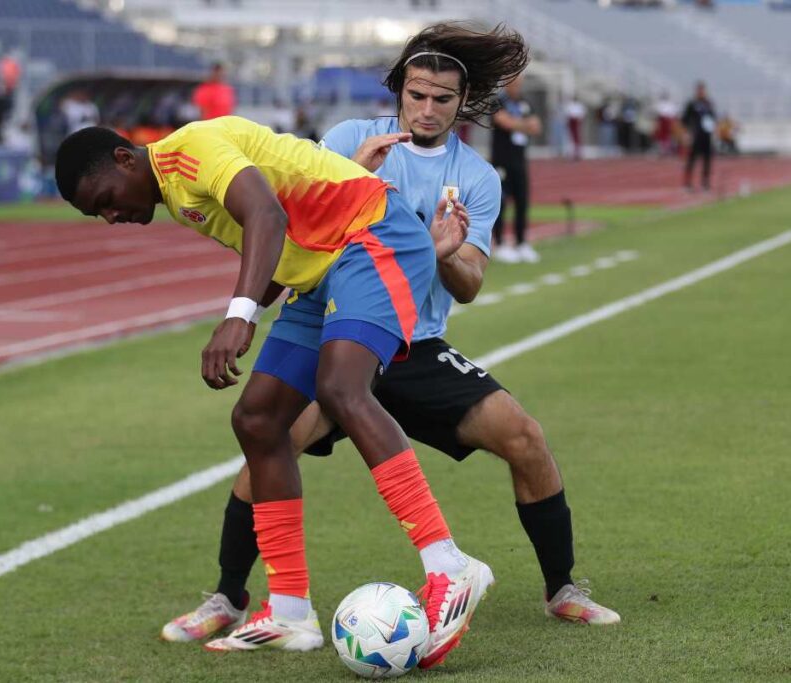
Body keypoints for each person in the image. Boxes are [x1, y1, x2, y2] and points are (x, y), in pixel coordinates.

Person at [161, 22, 620, 651]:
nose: (426, 109)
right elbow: (300, 229)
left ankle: (563, 589)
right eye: (416, 95)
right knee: (266, 441)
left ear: (464, 106)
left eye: (441, 99)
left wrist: (441, 252)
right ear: (398, 92)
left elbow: (470, 284)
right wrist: (351, 172)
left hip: (414, 344)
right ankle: (227, 596)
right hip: (333, 330)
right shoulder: (352, 138)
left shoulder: (478, 178)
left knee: (525, 438)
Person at [55, 116, 489, 667]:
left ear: (124, 159)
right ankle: (288, 611)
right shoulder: (174, 189)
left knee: (341, 389)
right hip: (323, 267)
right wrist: (255, 310)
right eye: (98, 214)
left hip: (374, 234)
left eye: (106, 199)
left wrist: (238, 317)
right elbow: (282, 241)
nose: (111, 215)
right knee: (257, 419)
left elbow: (267, 214)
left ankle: (450, 565)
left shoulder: (190, 151)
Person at [490, 74, 541, 264]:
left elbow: (536, 127)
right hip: (502, 160)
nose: (516, 86)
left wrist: (518, 125)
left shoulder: (524, 103)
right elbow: (504, 122)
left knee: (522, 201)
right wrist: (523, 124)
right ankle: (500, 243)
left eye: (519, 83)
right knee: (501, 203)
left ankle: (521, 242)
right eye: (513, 83)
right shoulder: (497, 101)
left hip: (520, 160)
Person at [681, 80, 715, 191]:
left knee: (707, 160)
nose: (701, 92)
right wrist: (686, 133)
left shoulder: (708, 103)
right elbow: (684, 120)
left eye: (703, 90)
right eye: (699, 90)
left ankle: (705, 183)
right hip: (696, 135)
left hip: (707, 136)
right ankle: (687, 183)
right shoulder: (692, 104)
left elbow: (713, 118)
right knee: (692, 160)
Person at [653, 91, 679, 156]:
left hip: (668, 122)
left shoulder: (670, 104)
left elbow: (673, 115)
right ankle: (662, 150)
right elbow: (659, 115)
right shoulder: (661, 104)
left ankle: (667, 149)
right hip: (663, 122)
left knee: (668, 137)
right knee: (661, 136)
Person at [564, 95, 586, 161]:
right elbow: (568, 114)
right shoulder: (570, 105)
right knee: (571, 137)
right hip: (572, 121)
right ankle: (571, 153)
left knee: (577, 137)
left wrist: (579, 120)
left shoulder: (579, 105)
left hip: (576, 121)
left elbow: (581, 114)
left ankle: (578, 153)